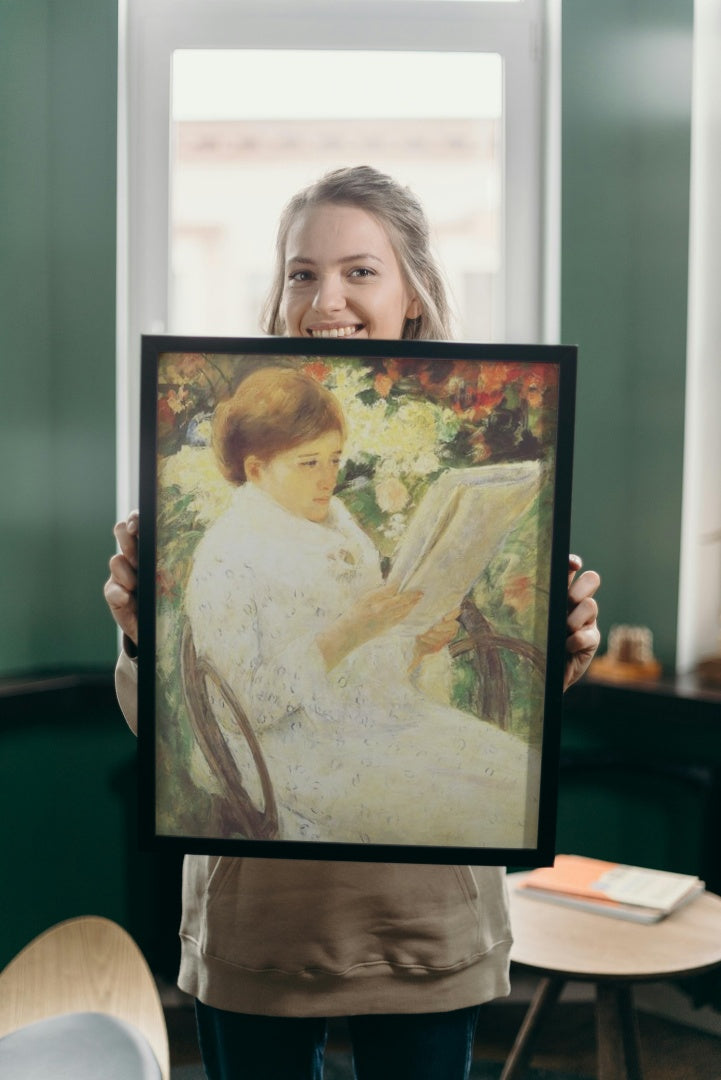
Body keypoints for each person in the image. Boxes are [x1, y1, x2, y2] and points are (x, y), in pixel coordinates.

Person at [105, 165, 601, 1080]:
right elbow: (198, 725)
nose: (324, 298)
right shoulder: (224, 544)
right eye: (301, 272)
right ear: (254, 467)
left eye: (359, 271)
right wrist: (140, 632)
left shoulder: (332, 514)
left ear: (413, 291)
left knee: (504, 766)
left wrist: (525, 653)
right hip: (266, 907)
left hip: (420, 913)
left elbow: (376, 682)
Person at [184, 365, 541, 849]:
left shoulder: (339, 526)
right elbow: (242, 708)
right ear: (255, 469)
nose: (327, 478)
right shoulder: (228, 554)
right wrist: (346, 633)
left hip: (375, 722)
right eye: (308, 463)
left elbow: (370, 670)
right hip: (290, 757)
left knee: (523, 782)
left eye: (334, 459)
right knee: (472, 807)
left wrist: (416, 645)